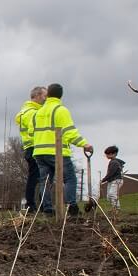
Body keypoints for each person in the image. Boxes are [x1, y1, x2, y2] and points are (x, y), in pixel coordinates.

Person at [31, 83, 93, 216]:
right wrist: (84, 144)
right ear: (61, 95)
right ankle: (72, 206)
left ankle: (47, 209)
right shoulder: (61, 110)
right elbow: (70, 132)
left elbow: (32, 132)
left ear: (48, 95)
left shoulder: (38, 112)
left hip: (39, 152)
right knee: (70, 178)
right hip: (57, 152)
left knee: (45, 181)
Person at [15, 86, 47, 211]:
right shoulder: (32, 112)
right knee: (38, 177)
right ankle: (33, 205)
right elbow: (35, 131)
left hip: (32, 147)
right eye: (45, 96)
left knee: (38, 177)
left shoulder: (28, 111)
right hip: (35, 147)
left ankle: (36, 204)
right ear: (38, 96)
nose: (46, 99)